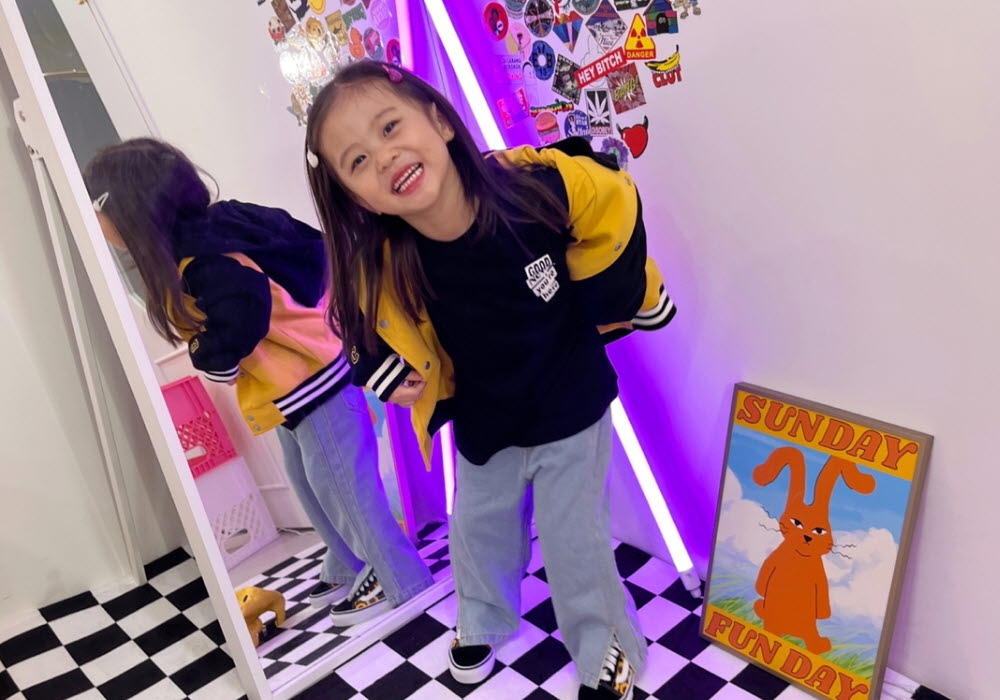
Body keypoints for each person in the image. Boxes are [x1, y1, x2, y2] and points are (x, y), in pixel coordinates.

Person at [304, 61, 676, 699]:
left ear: (441, 122)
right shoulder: (390, 262)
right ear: (359, 198)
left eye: (390, 127)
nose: (385, 157)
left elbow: (609, 206)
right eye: (358, 161)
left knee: (574, 542)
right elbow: (365, 327)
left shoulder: (534, 190)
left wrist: (633, 294)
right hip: (483, 417)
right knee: (476, 530)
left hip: (570, 404)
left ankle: (607, 646)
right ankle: (483, 617)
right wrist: (388, 374)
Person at [83, 138, 433, 627]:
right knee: (311, 482)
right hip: (295, 385)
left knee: (342, 486)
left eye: (96, 206)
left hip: (312, 380)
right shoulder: (209, 235)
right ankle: (347, 559)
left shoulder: (203, 258)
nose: (96, 220)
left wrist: (213, 357)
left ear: (128, 206)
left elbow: (244, 311)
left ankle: (397, 574)